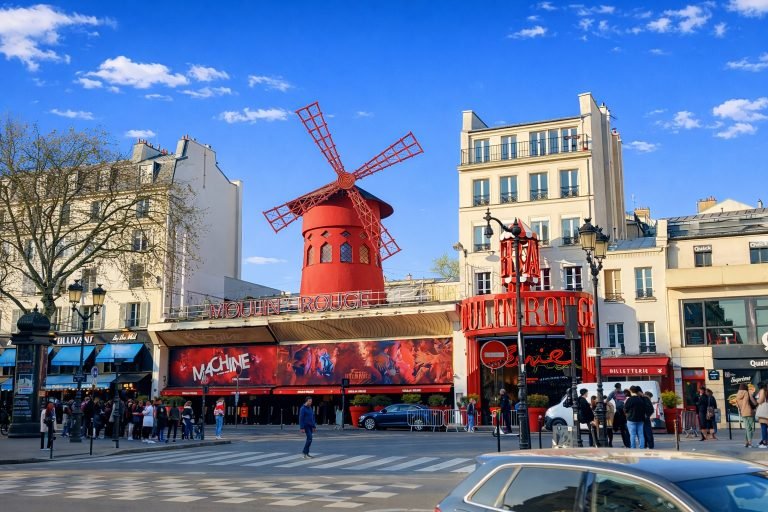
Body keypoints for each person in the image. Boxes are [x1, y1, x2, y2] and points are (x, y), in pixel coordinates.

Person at [736, 383, 757, 448]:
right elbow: (754, 402)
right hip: (749, 412)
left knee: (747, 428)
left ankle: (746, 442)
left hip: (743, 412)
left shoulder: (737, 394)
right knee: (750, 428)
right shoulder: (747, 392)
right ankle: (750, 442)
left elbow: (737, 405)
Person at [757, 382, 768, 448]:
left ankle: (764, 443)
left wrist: (757, 400)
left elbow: (760, 400)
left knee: (763, 427)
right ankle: (764, 441)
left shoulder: (762, 390)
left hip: (764, 412)